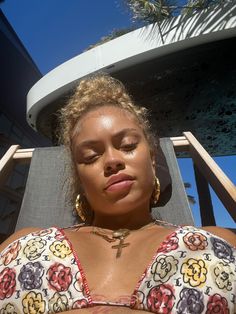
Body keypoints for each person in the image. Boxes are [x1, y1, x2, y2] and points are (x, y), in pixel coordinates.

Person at [0, 74, 235, 314]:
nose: (112, 161)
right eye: (91, 156)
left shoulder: (219, 241)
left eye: (128, 146)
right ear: (79, 179)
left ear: (153, 160)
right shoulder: (22, 242)